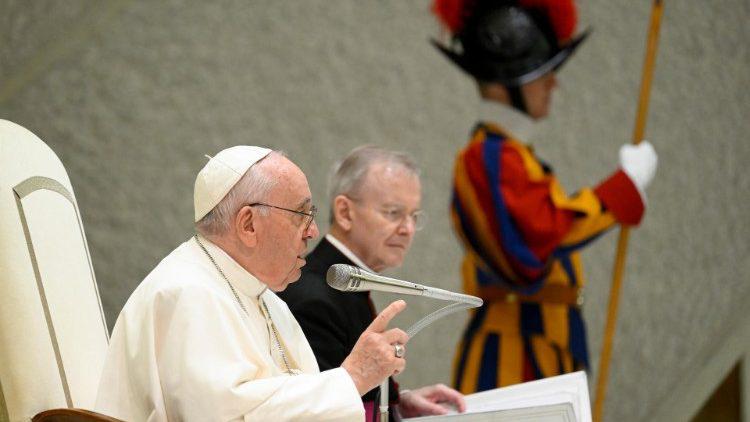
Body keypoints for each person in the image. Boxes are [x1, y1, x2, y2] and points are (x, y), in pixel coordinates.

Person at [430, 0, 659, 393]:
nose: (554, 84)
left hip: (547, 352)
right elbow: (537, 244)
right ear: (508, 84)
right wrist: (623, 190)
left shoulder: (512, 156)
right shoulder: (487, 157)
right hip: (514, 360)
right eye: (542, 74)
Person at [95, 146, 412, 421]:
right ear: (248, 224)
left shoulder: (265, 298)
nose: (313, 231)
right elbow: (224, 417)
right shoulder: (188, 293)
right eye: (301, 214)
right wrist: (353, 377)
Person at [278, 146, 466, 420]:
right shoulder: (312, 298)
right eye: (393, 212)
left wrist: (397, 402)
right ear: (345, 212)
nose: (407, 229)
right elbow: (317, 410)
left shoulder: (346, 286)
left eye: (413, 216)